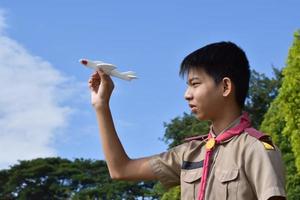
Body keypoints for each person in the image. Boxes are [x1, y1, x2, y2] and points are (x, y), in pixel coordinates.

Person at [88, 41, 286, 200]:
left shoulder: (258, 147)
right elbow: (120, 170)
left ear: (225, 87)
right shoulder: (189, 154)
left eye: (195, 84)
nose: (187, 95)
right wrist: (102, 105)